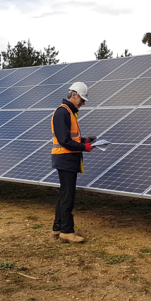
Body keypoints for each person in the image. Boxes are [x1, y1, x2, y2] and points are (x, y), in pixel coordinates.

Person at [51, 82, 96, 243]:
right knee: (68, 197)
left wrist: (86, 140)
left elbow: (72, 138)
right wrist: (84, 147)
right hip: (65, 159)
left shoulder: (69, 112)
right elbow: (64, 140)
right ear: (74, 95)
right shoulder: (62, 113)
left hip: (67, 159)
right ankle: (67, 231)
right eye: (82, 99)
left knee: (64, 194)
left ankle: (58, 227)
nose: (83, 103)